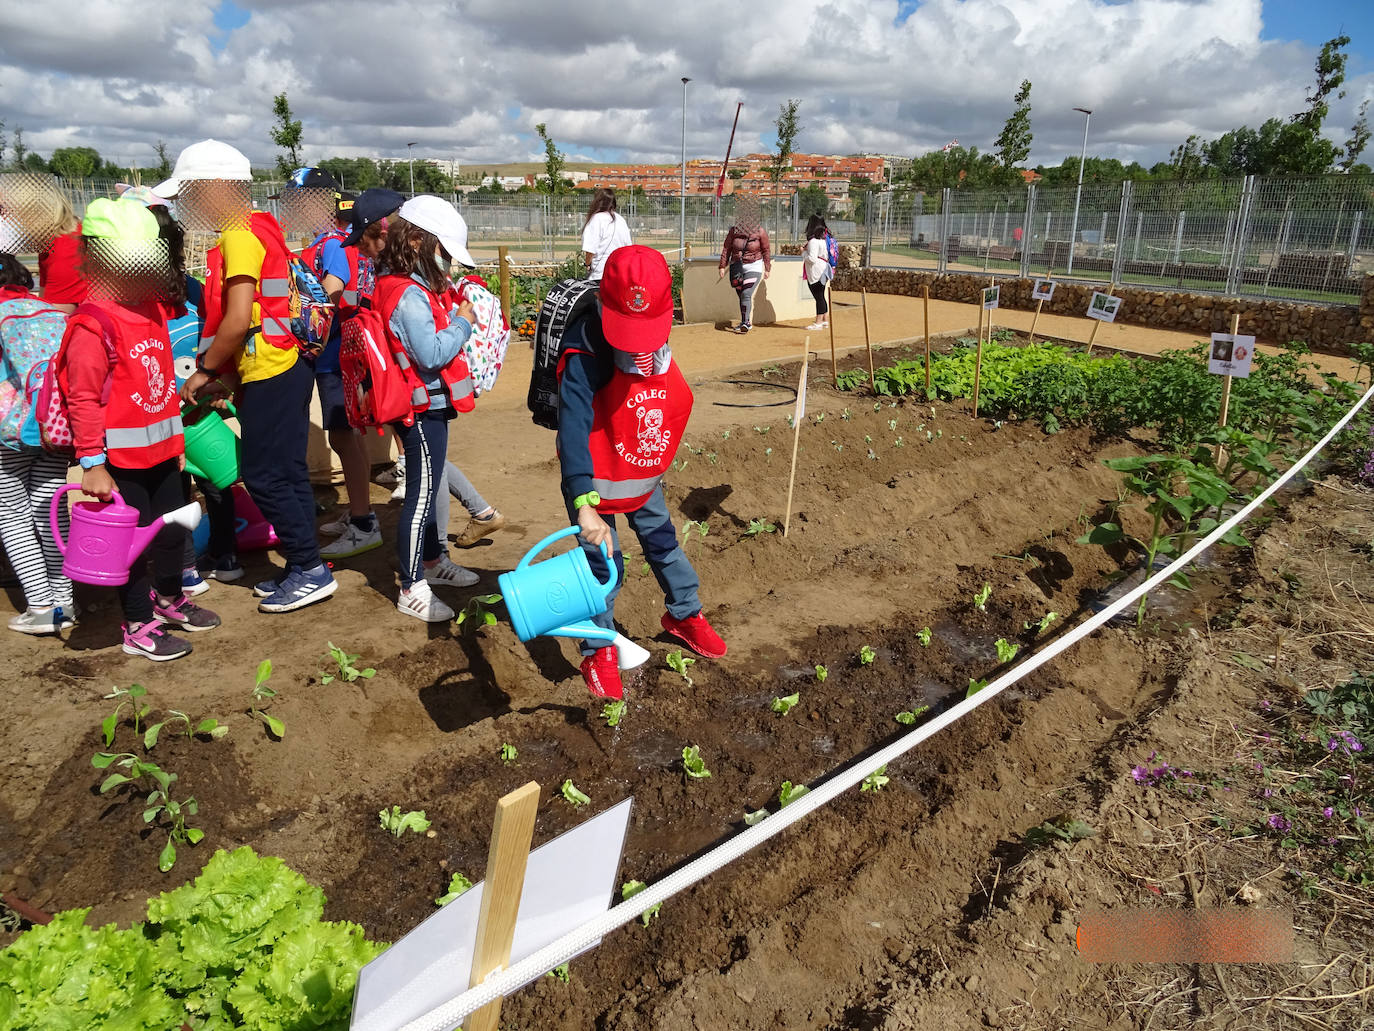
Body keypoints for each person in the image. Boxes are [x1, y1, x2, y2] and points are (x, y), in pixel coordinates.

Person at [163, 140, 337, 614]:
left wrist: (203, 373)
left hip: (271, 367)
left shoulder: (238, 236)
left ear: (215, 187)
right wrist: (228, 381)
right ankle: (306, 564)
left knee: (262, 476)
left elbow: (238, 319)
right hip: (284, 363)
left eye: (190, 193)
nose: (186, 205)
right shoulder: (261, 228)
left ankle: (308, 569)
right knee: (287, 470)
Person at [558, 245, 727, 699]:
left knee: (663, 541)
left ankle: (684, 614)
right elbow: (572, 429)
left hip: (637, 468)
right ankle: (598, 650)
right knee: (602, 564)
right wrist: (582, 504)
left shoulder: (660, 344)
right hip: (593, 478)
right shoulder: (585, 349)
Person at [63, 198, 220, 660]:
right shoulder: (92, 325)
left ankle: (170, 598)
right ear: (99, 261)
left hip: (163, 452)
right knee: (129, 546)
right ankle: (136, 622)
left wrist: (175, 444)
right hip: (120, 464)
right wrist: (92, 463)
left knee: (172, 532)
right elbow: (84, 399)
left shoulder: (152, 308)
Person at [372, 195, 482, 621]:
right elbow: (431, 353)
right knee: (419, 497)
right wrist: (464, 324)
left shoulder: (402, 284)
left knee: (431, 486)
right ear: (416, 241)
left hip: (428, 406)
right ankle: (411, 585)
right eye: (445, 253)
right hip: (419, 411)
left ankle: (434, 562)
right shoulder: (408, 296)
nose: (449, 265)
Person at [297, 175, 382, 561]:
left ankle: (364, 521)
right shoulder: (327, 242)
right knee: (348, 437)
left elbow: (333, 291)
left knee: (344, 438)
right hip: (333, 354)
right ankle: (360, 513)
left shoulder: (330, 245)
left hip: (333, 356)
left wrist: (305, 315)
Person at [0, 252, 75, 634]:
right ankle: (65, 601)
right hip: (56, 425)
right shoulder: (51, 311)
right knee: (51, 507)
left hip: (9, 432)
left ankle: (41, 608)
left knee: (12, 513)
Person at [0, 174, 85, 313]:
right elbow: (46, 301)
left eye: (2, 209)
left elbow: (55, 319)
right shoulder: (52, 241)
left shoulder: (65, 252)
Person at [716, 196, 770, 334]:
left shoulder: (760, 231)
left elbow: (766, 249)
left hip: (754, 266)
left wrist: (767, 268)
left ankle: (746, 323)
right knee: (741, 296)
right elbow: (726, 248)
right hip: (737, 267)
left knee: (746, 293)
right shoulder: (733, 231)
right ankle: (744, 320)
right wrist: (722, 266)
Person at [580, 188, 632, 283]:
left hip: (600, 274)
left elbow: (590, 249)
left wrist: (587, 264)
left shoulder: (596, 219)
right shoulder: (621, 220)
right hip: (620, 273)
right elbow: (628, 247)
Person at [803, 214, 832, 332]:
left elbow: (812, 259)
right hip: (824, 269)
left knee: (818, 296)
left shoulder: (813, 241)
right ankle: (825, 319)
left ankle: (818, 322)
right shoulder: (825, 240)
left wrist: (803, 253)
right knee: (821, 295)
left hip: (816, 271)